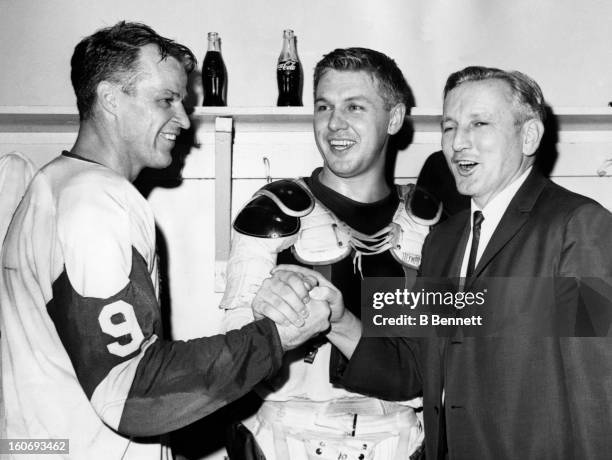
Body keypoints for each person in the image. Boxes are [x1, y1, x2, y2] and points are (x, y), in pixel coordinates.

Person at [0, 22, 331, 460]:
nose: (184, 117)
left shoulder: (52, 186)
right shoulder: (97, 200)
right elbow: (131, 394)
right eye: (166, 100)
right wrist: (274, 337)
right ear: (110, 99)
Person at [330, 66, 612, 459]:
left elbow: (599, 393)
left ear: (529, 135)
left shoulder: (578, 225)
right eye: (449, 127)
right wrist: (336, 319)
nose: (458, 142)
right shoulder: (442, 241)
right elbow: (415, 364)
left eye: (479, 123)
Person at [220, 48, 440, 460]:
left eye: (354, 107)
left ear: (393, 118)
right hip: (287, 435)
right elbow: (232, 350)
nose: (334, 123)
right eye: (324, 106)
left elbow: (437, 358)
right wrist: (265, 314)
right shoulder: (274, 212)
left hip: (399, 436)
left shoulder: (428, 223)